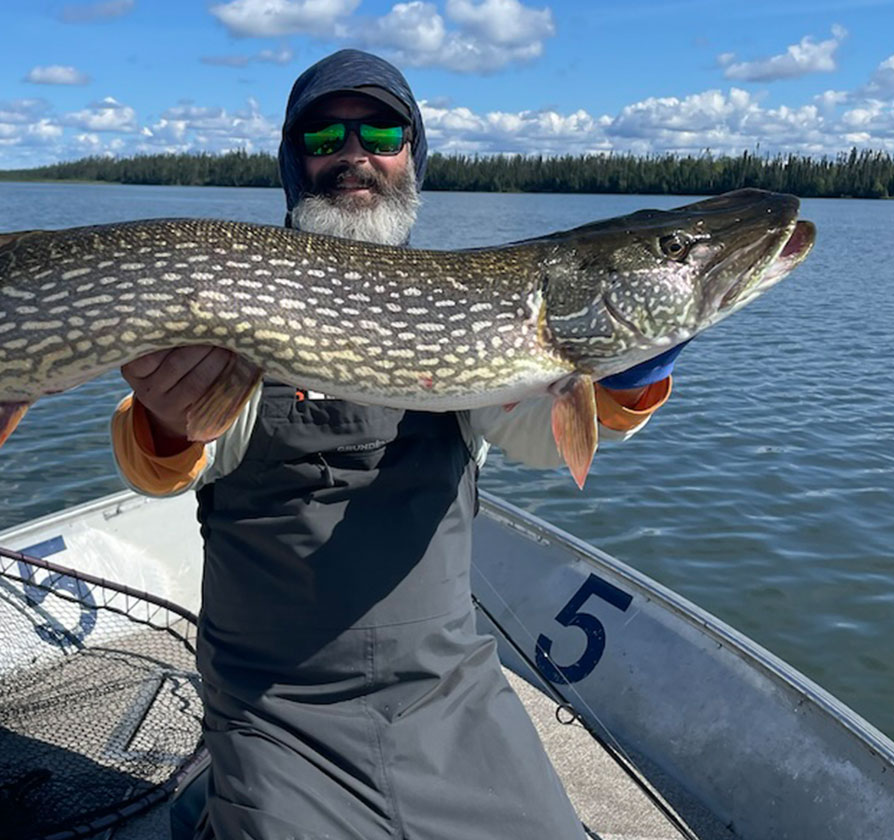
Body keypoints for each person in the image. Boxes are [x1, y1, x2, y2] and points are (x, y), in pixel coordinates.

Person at [111, 49, 680, 840]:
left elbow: (540, 436)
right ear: (294, 161)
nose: (354, 154)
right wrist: (170, 422)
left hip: (446, 692)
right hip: (277, 705)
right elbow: (168, 466)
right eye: (324, 136)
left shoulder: (479, 310)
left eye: (381, 133)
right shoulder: (237, 289)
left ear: (413, 155)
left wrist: (629, 376)